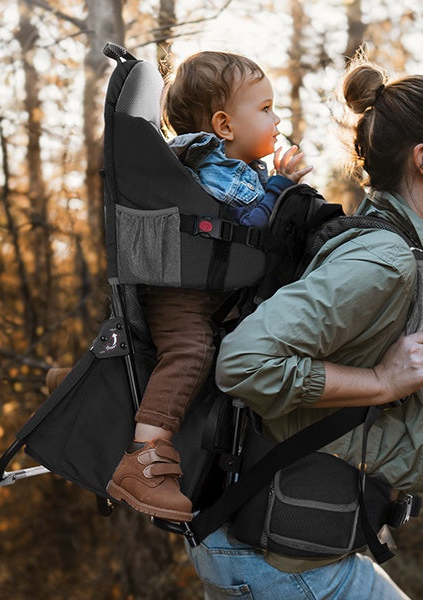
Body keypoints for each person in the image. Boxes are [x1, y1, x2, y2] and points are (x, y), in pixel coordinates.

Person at [187, 58, 423, 599]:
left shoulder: (399, 246)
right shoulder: (384, 259)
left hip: (280, 551)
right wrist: (382, 381)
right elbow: (243, 361)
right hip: (281, 566)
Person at [104, 51, 312, 522]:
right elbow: (247, 227)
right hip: (181, 294)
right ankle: (144, 462)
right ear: (224, 125)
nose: (277, 118)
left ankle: (90, 389)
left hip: (194, 287)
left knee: (180, 358)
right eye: (264, 109)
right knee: (191, 353)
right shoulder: (216, 168)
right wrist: (281, 186)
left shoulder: (228, 166)